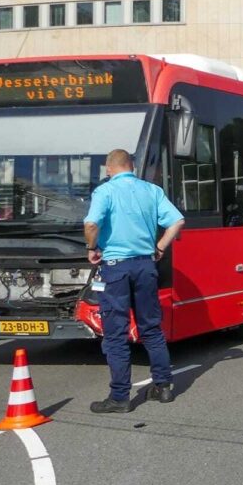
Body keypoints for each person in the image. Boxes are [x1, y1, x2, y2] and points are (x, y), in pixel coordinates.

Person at [84, 150, 186, 413]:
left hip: (115, 268)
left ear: (109, 168)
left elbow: (92, 225)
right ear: (132, 166)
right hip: (145, 266)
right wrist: (160, 246)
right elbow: (177, 221)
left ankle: (119, 397)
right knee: (151, 327)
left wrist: (92, 247)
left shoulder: (104, 192)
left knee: (116, 333)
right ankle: (163, 387)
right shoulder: (151, 190)